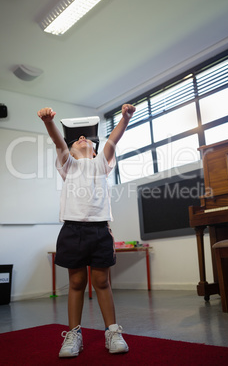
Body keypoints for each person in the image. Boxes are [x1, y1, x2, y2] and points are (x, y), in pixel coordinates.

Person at [37, 104, 136, 358]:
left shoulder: (101, 163)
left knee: (102, 281)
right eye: (77, 139)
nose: (82, 139)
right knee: (77, 282)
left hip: (100, 230)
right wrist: (49, 123)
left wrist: (124, 118)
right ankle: (74, 334)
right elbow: (59, 143)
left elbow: (113, 140)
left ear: (94, 148)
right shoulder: (68, 166)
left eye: (87, 138)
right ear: (70, 150)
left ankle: (112, 331)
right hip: (73, 230)